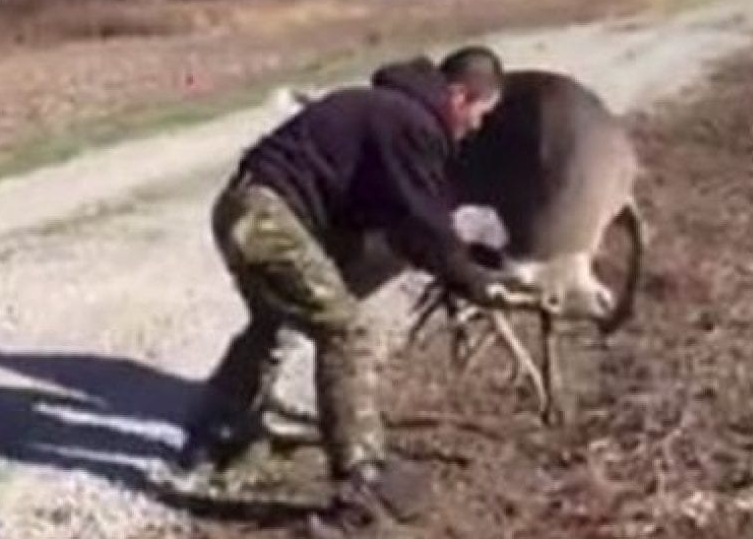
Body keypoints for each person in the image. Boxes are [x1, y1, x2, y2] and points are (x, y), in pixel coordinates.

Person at [175, 46, 531, 534]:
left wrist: (465, 265)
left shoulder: (392, 113)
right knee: (345, 329)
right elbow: (422, 224)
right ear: (458, 95)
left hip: (245, 210)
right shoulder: (411, 123)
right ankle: (360, 475)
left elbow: (410, 222)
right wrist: (475, 281)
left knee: (278, 321)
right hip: (265, 216)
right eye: (479, 114)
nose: (476, 127)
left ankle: (221, 427)